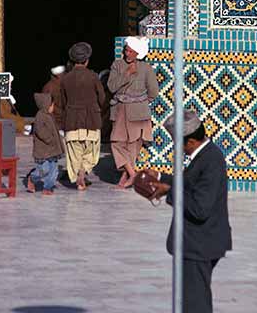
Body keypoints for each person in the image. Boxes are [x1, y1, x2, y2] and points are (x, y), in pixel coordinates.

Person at [147, 109, 232, 313]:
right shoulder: (206, 155)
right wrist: (160, 177)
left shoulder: (210, 160)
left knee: (195, 303)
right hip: (198, 243)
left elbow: (200, 208)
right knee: (193, 298)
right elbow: (190, 184)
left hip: (200, 244)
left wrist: (169, 192)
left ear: (191, 142)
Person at [108, 36, 159, 188]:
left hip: (139, 112)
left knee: (134, 145)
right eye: (126, 50)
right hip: (120, 110)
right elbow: (111, 87)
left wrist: (140, 101)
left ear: (137, 53)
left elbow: (153, 92)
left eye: (131, 51)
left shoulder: (146, 68)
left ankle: (126, 176)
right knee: (116, 142)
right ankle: (133, 174)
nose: (127, 54)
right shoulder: (117, 65)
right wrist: (127, 74)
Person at [59, 42, 105, 190]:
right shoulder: (93, 77)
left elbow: (63, 101)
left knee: (74, 151)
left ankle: (77, 175)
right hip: (91, 119)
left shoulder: (65, 79)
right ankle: (83, 171)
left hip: (72, 120)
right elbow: (102, 98)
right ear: (87, 60)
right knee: (92, 150)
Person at [27, 93, 63, 196]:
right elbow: (40, 131)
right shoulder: (40, 116)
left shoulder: (50, 116)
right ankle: (32, 178)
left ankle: (48, 187)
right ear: (46, 105)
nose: (53, 107)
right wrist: (50, 139)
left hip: (53, 149)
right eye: (52, 105)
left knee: (53, 170)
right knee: (44, 169)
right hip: (43, 149)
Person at [42, 65, 65, 133]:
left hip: (60, 124)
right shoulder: (49, 87)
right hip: (55, 125)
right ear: (58, 75)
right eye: (63, 74)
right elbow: (46, 109)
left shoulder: (62, 85)